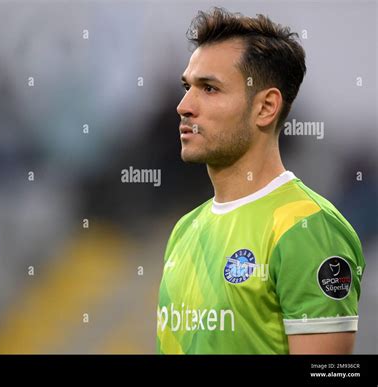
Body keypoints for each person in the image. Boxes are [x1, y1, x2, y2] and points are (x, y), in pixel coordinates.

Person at [156, 7, 365, 354]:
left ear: (266, 107)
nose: (184, 105)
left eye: (209, 88)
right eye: (186, 87)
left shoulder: (306, 227)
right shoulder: (184, 230)